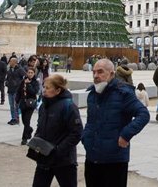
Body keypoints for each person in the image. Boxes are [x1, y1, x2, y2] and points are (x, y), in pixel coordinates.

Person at [82, 58, 149, 187]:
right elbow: (91, 121)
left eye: (100, 72)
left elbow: (143, 114)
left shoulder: (123, 93)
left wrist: (125, 135)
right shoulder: (92, 94)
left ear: (112, 74)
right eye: (94, 72)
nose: (96, 76)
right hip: (92, 157)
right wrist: (85, 137)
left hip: (114, 159)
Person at [30, 74, 83, 187]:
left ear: (58, 90)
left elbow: (76, 133)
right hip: (44, 157)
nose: (44, 90)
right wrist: (36, 142)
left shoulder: (69, 106)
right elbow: (40, 127)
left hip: (64, 161)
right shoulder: (43, 105)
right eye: (44, 87)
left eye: (47, 88)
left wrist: (58, 150)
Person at [18, 66, 40, 145]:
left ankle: (24, 138)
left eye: (32, 73)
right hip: (23, 104)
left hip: (31, 104)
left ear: (34, 74)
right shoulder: (23, 81)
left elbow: (34, 92)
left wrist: (29, 84)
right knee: (24, 121)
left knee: (27, 121)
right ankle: (29, 129)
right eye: (29, 72)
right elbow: (19, 91)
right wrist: (16, 101)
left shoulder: (35, 82)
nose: (30, 74)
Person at [6, 57, 26, 124]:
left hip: (16, 90)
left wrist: (19, 84)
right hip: (10, 90)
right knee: (11, 105)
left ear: (15, 62)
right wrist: (7, 82)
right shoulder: (9, 70)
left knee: (16, 106)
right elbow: (8, 78)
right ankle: (13, 118)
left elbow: (25, 77)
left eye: (10, 61)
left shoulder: (20, 69)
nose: (9, 62)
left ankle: (16, 119)